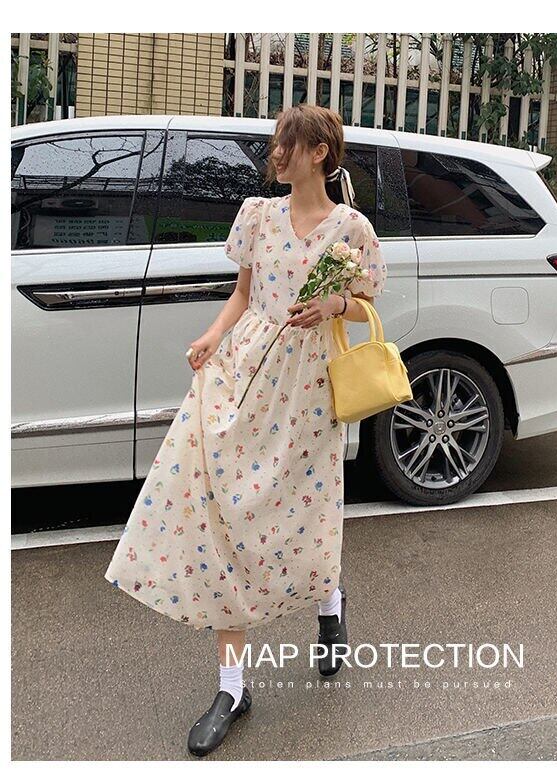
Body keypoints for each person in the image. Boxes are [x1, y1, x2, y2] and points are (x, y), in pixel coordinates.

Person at [104, 103, 387, 757]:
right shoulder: (257, 214)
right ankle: (232, 688)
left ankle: (329, 598)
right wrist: (210, 337)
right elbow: (242, 293)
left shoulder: (352, 227)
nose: (276, 154)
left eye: (287, 143)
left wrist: (335, 303)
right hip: (244, 368)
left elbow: (367, 299)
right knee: (224, 515)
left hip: (308, 387)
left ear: (319, 152)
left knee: (305, 509)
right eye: (276, 144)